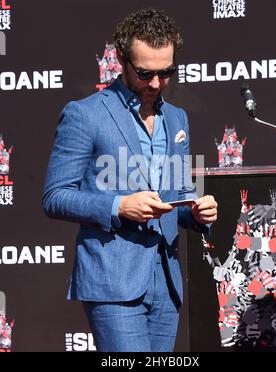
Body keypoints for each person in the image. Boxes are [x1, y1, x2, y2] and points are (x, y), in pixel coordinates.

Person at [42, 8, 218, 352]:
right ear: (121, 61)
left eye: (166, 72)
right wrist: (119, 205)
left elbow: (177, 194)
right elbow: (55, 196)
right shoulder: (85, 114)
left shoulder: (178, 118)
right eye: (144, 73)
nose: (155, 83)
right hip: (112, 279)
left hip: (166, 281)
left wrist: (194, 212)